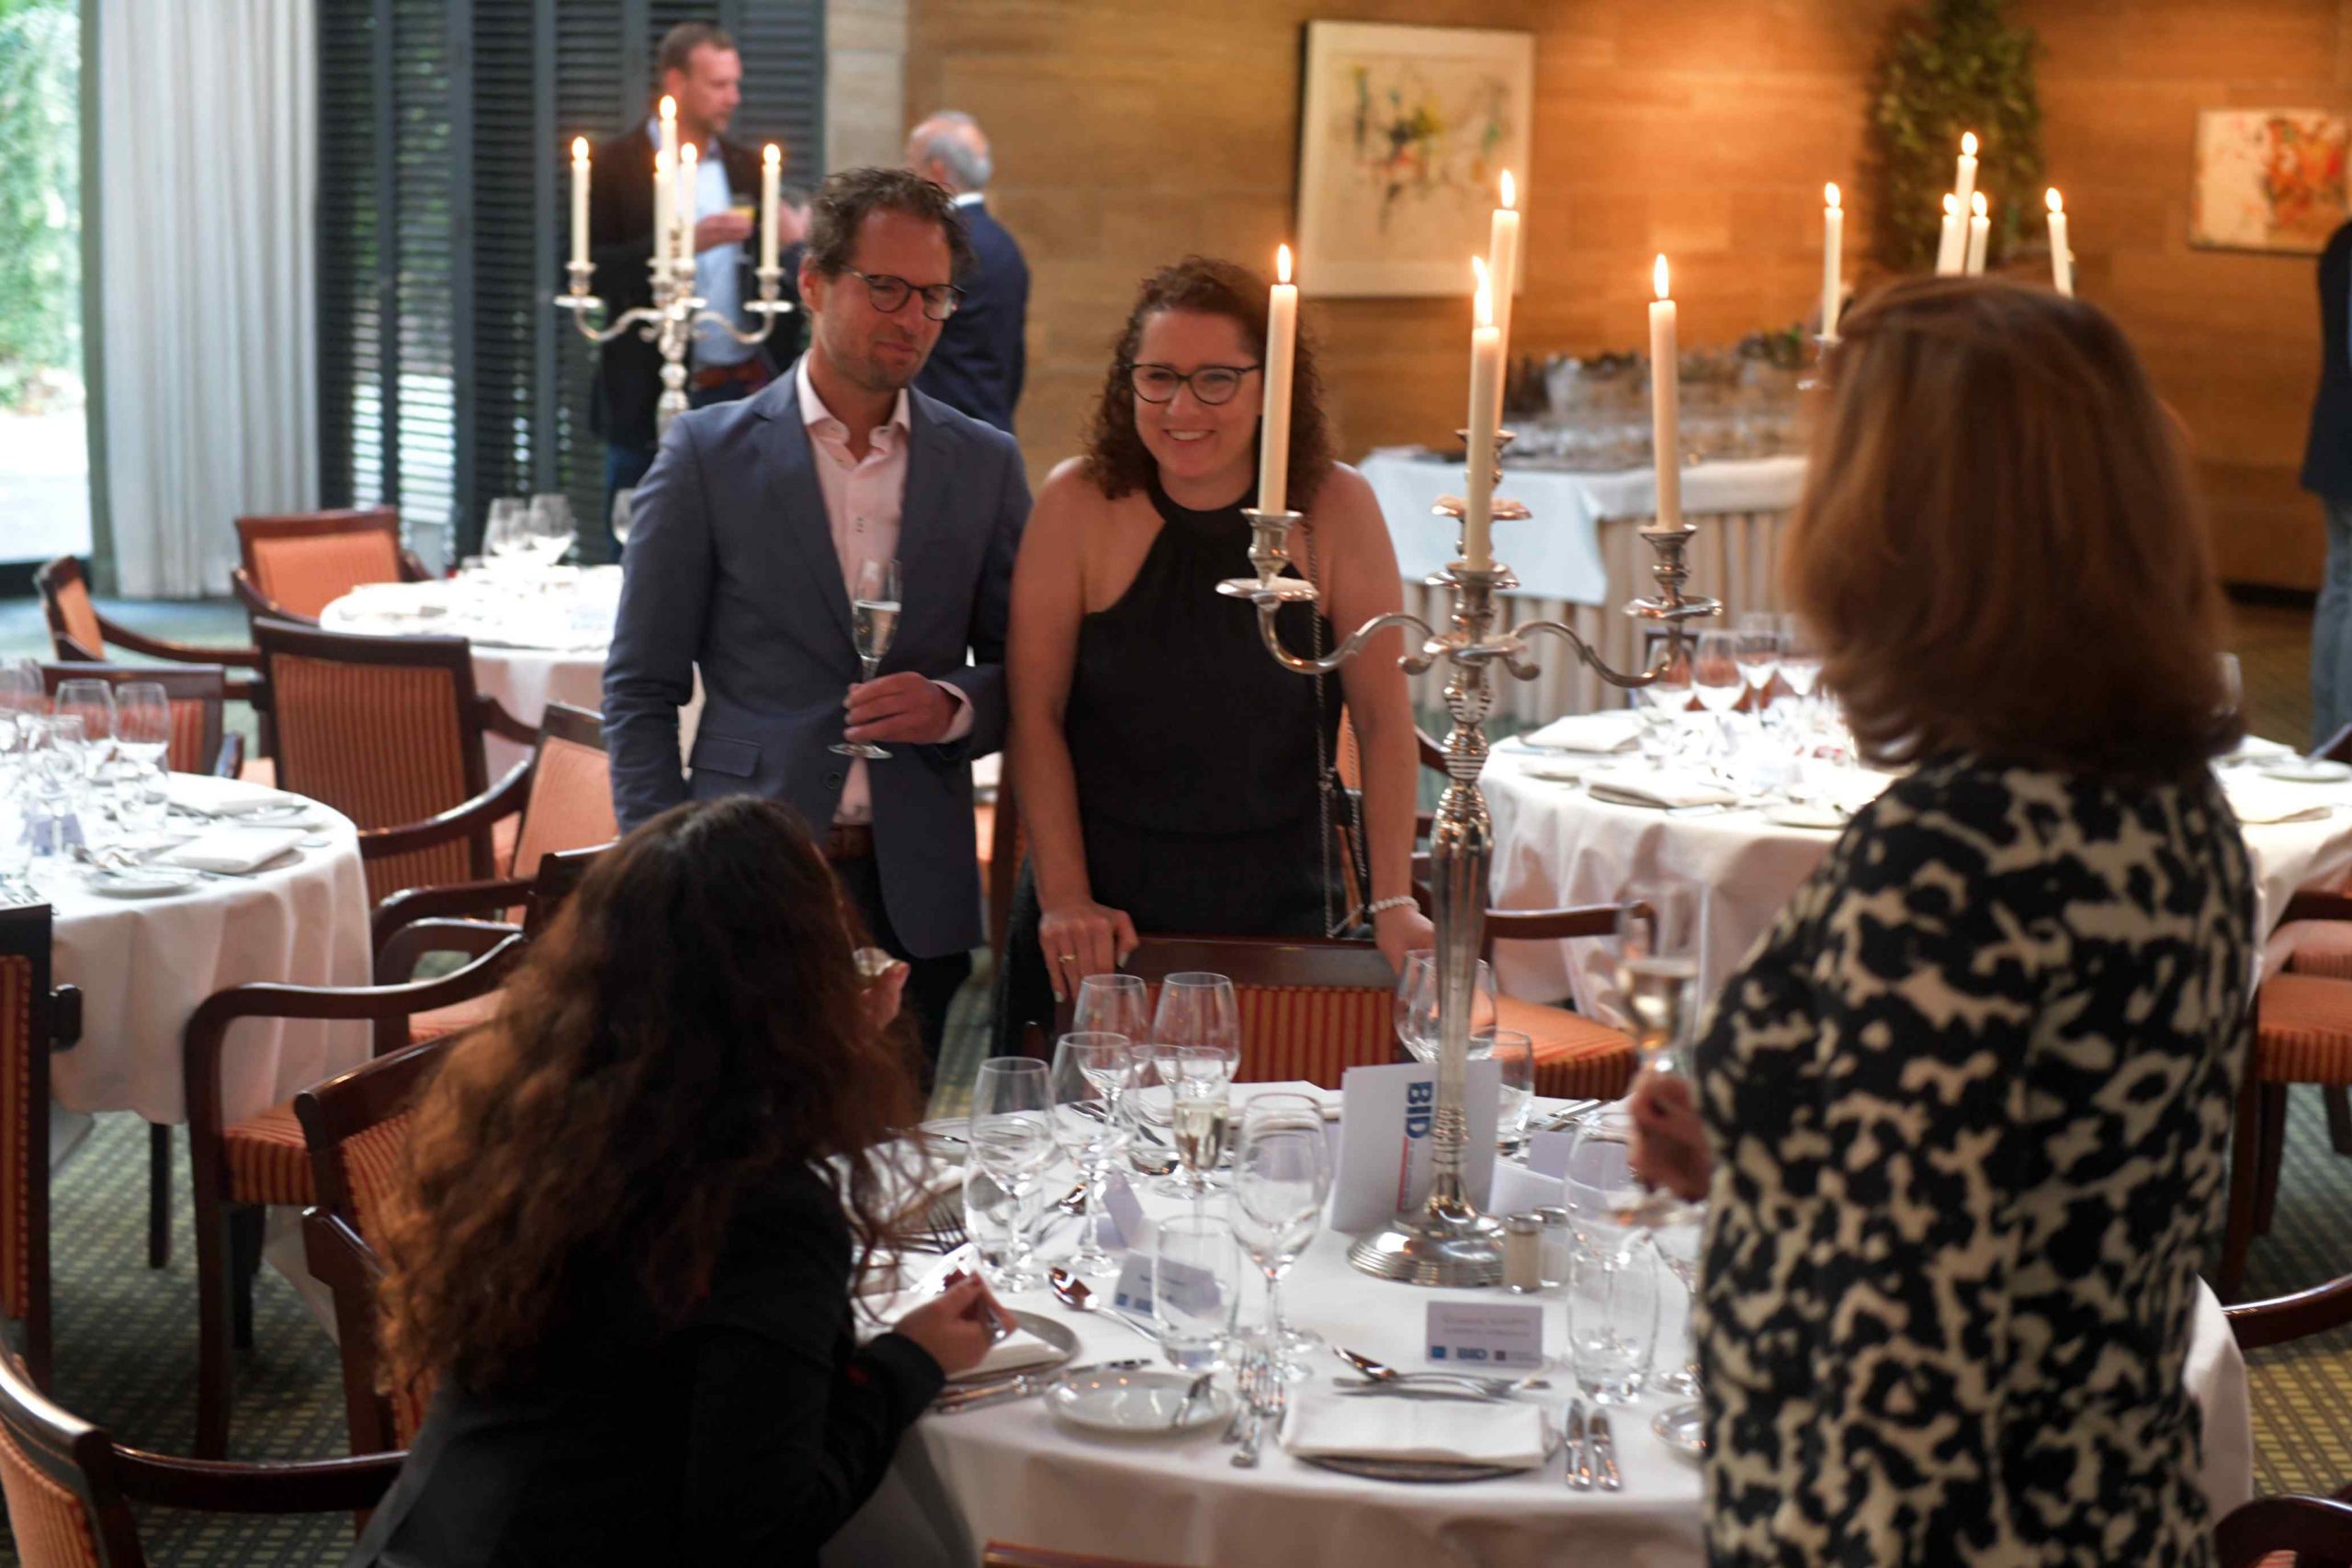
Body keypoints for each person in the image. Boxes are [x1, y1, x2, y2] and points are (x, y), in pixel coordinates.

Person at [1627, 278, 2253, 1564]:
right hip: (2114, 1510)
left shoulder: (1949, 860)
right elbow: (2036, 1194)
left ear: (1904, 530)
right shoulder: (2172, 806)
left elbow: (1905, 1378)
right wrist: (1759, 1150)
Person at [346, 797, 1013, 1567]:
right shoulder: (767, 1213)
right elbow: (759, 1526)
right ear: (797, 989)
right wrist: (910, 1361)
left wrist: (828, 1050)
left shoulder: (540, 1119)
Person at [604, 165, 1026, 1069]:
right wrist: (662, 872)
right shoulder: (707, 453)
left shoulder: (984, 464)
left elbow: (1023, 673)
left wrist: (953, 705)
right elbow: (639, 689)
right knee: (744, 1140)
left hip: (916, 884)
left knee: (899, 1143)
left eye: (934, 295)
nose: (913, 317)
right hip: (744, 876)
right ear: (812, 283)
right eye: (886, 287)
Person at [994, 255, 1433, 1053]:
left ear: (1270, 386)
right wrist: (1066, 898)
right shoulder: (1077, 502)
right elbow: (1035, 714)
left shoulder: (1336, 506)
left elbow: (1382, 718)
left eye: (1216, 380)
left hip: (1283, 905)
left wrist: (1395, 899)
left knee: (1284, 1124)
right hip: (1103, 911)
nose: (1181, 406)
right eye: (1158, 377)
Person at [589, 22, 809, 558]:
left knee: (743, 553)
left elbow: (774, 272)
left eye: (735, 84)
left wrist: (795, 246)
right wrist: (681, 245)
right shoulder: (614, 165)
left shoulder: (745, 167)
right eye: (718, 84)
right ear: (676, 82)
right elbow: (592, 272)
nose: (732, 98)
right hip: (646, 395)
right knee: (638, 551)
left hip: (741, 390)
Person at [906, 111, 1029, 434]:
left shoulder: (940, 242)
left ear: (936, 170)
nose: (907, 175)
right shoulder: (1003, 242)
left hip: (942, 430)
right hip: (991, 422)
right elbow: (1013, 358)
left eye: (911, 164)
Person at [2304, 218, 2352, 747]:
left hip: (2334, 440)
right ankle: (2342, 746)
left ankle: (2328, 740)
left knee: (2340, 589)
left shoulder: (2341, 241)